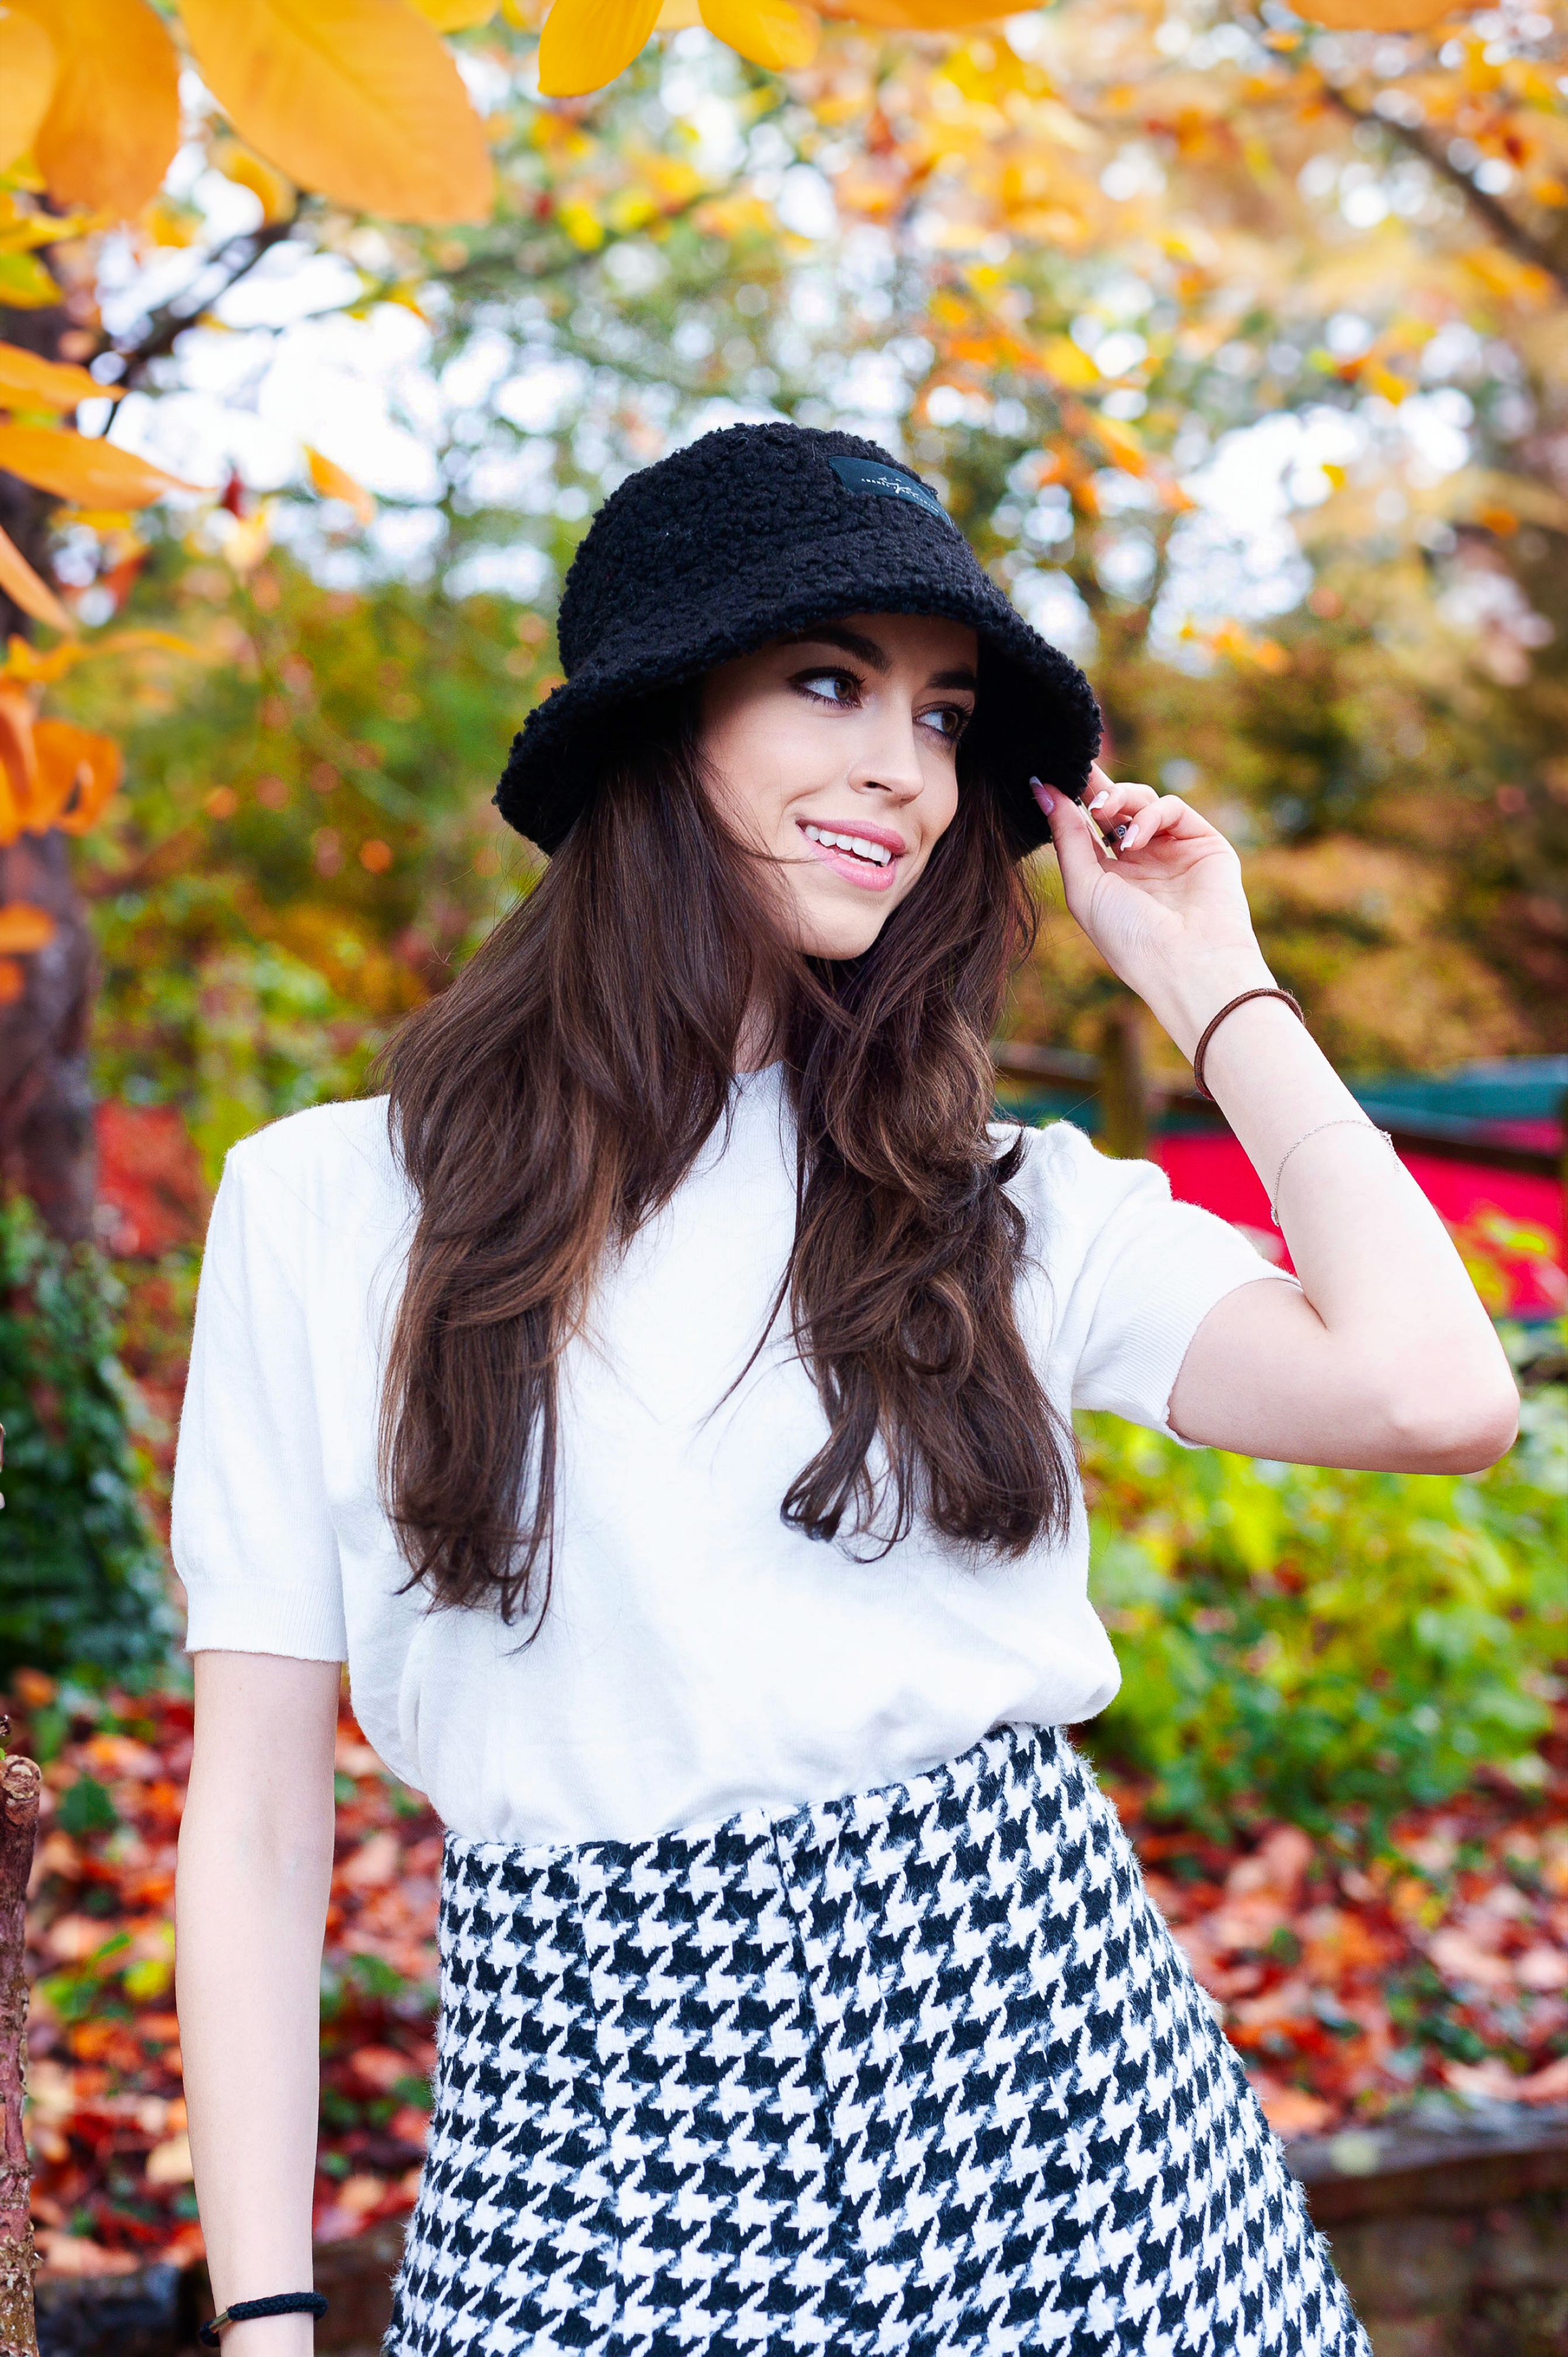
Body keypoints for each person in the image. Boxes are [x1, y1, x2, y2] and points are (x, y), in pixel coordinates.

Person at [172, 423, 1517, 2357]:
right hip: (582, 2149)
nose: (905, 766)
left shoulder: (993, 1201)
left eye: (945, 716)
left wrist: (1211, 981)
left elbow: (1433, 1394)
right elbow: (255, 1817)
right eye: (830, 682)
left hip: (1073, 2123)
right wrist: (268, 2314)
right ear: (664, 722)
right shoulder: (324, 1205)